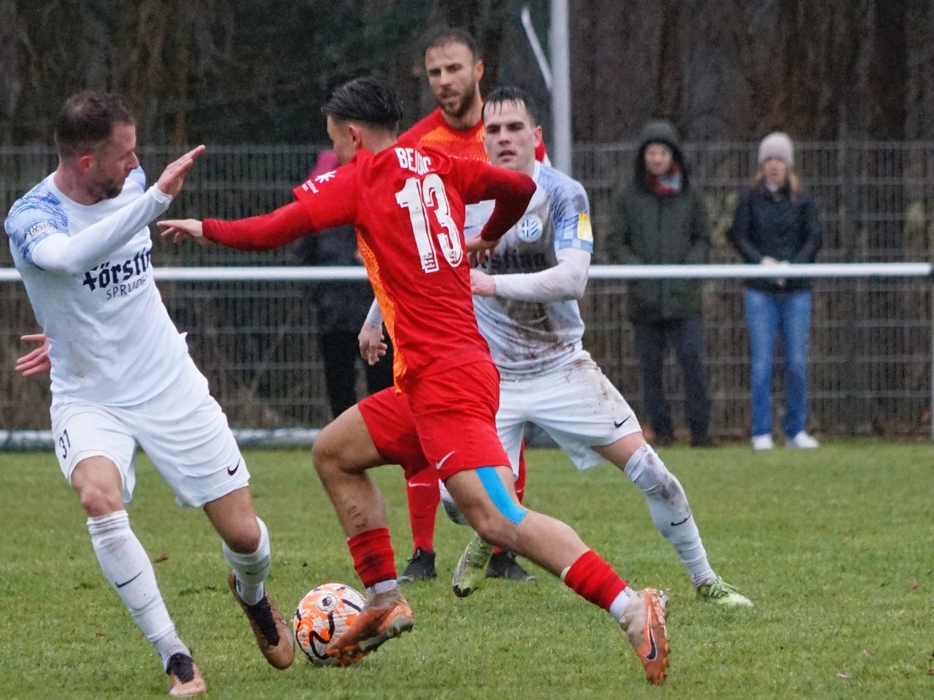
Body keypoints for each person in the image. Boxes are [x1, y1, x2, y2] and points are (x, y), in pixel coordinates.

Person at [159, 76, 672, 685]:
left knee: (498, 519)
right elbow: (519, 186)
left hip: (449, 380)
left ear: (353, 136)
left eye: (336, 140)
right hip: (428, 381)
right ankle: (383, 598)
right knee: (334, 453)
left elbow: (274, 229)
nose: (336, 151)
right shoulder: (440, 163)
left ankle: (631, 608)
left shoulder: (360, 179)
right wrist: (489, 235)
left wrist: (204, 227)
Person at [362, 87, 751, 608]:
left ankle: (706, 580)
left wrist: (492, 284)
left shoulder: (564, 194)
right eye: (493, 130)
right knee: (457, 502)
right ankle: (489, 533)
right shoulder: (460, 193)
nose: (503, 138)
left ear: (536, 135)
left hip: (562, 368)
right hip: (490, 378)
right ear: (483, 139)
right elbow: (413, 260)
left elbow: (573, 279)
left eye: (514, 128)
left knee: (656, 475)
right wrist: (375, 319)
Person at [4, 91, 294, 697]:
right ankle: (175, 656)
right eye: (125, 154)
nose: (137, 163)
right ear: (86, 161)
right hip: (89, 396)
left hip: (169, 383)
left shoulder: (129, 183)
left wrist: (68, 325)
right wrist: (158, 198)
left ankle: (252, 592)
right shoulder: (33, 215)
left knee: (244, 537)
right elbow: (68, 259)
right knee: (97, 497)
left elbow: (106, 282)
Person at [371, 25, 543, 584]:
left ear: (479, 70)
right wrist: (377, 314)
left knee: (505, 420)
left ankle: (502, 549)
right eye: (434, 73)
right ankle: (423, 552)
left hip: (501, 304)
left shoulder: (509, 134)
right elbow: (390, 237)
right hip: (435, 315)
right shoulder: (417, 145)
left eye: (453, 69)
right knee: (422, 416)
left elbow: (533, 203)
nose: (444, 81)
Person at [608, 120, 714, 448]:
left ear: (673, 156)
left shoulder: (691, 196)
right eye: (651, 152)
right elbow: (615, 241)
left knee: (693, 366)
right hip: (645, 301)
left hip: (684, 300)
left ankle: (701, 432)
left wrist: (688, 271)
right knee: (650, 373)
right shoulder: (627, 197)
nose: (656, 159)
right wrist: (638, 273)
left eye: (662, 152)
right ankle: (662, 432)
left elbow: (702, 238)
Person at [729, 131, 822, 451]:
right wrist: (762, 262)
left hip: (796, 291)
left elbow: (814, 237)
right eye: (768, 159)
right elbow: (738, 235)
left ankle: (795, 430)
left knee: (796, 363)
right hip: (760, 291)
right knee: (762, 364)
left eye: (779, 159)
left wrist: (792, 267)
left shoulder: (803, 200)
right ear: (761, 163)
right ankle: (761, 431)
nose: (774, 165)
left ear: (788, 164)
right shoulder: (749, 199)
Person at [297, 150, 393, 420]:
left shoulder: (380, 197)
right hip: (334, 317)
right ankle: (347, 439)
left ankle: (383, 437)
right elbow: (304, 255)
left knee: (383, 391)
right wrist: (321, 297)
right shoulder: (319, 205)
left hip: (377, 316)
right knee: (340, 394)